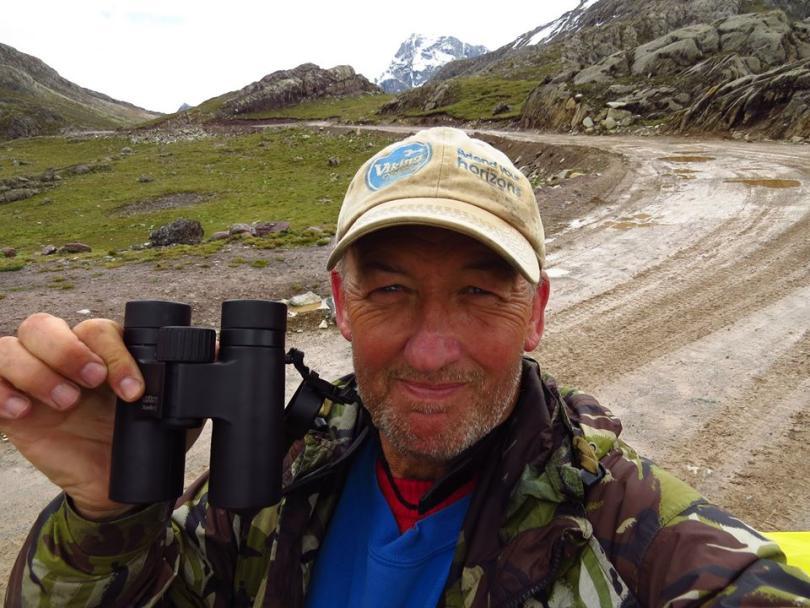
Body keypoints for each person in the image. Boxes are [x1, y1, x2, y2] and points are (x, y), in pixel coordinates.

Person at [1, 127, 808, 607]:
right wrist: (109, 515)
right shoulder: (263, 490)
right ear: (341, 305)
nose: (430, 350)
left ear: (535, 312)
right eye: (389, 291)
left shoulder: (627, 527)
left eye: (479, 294)